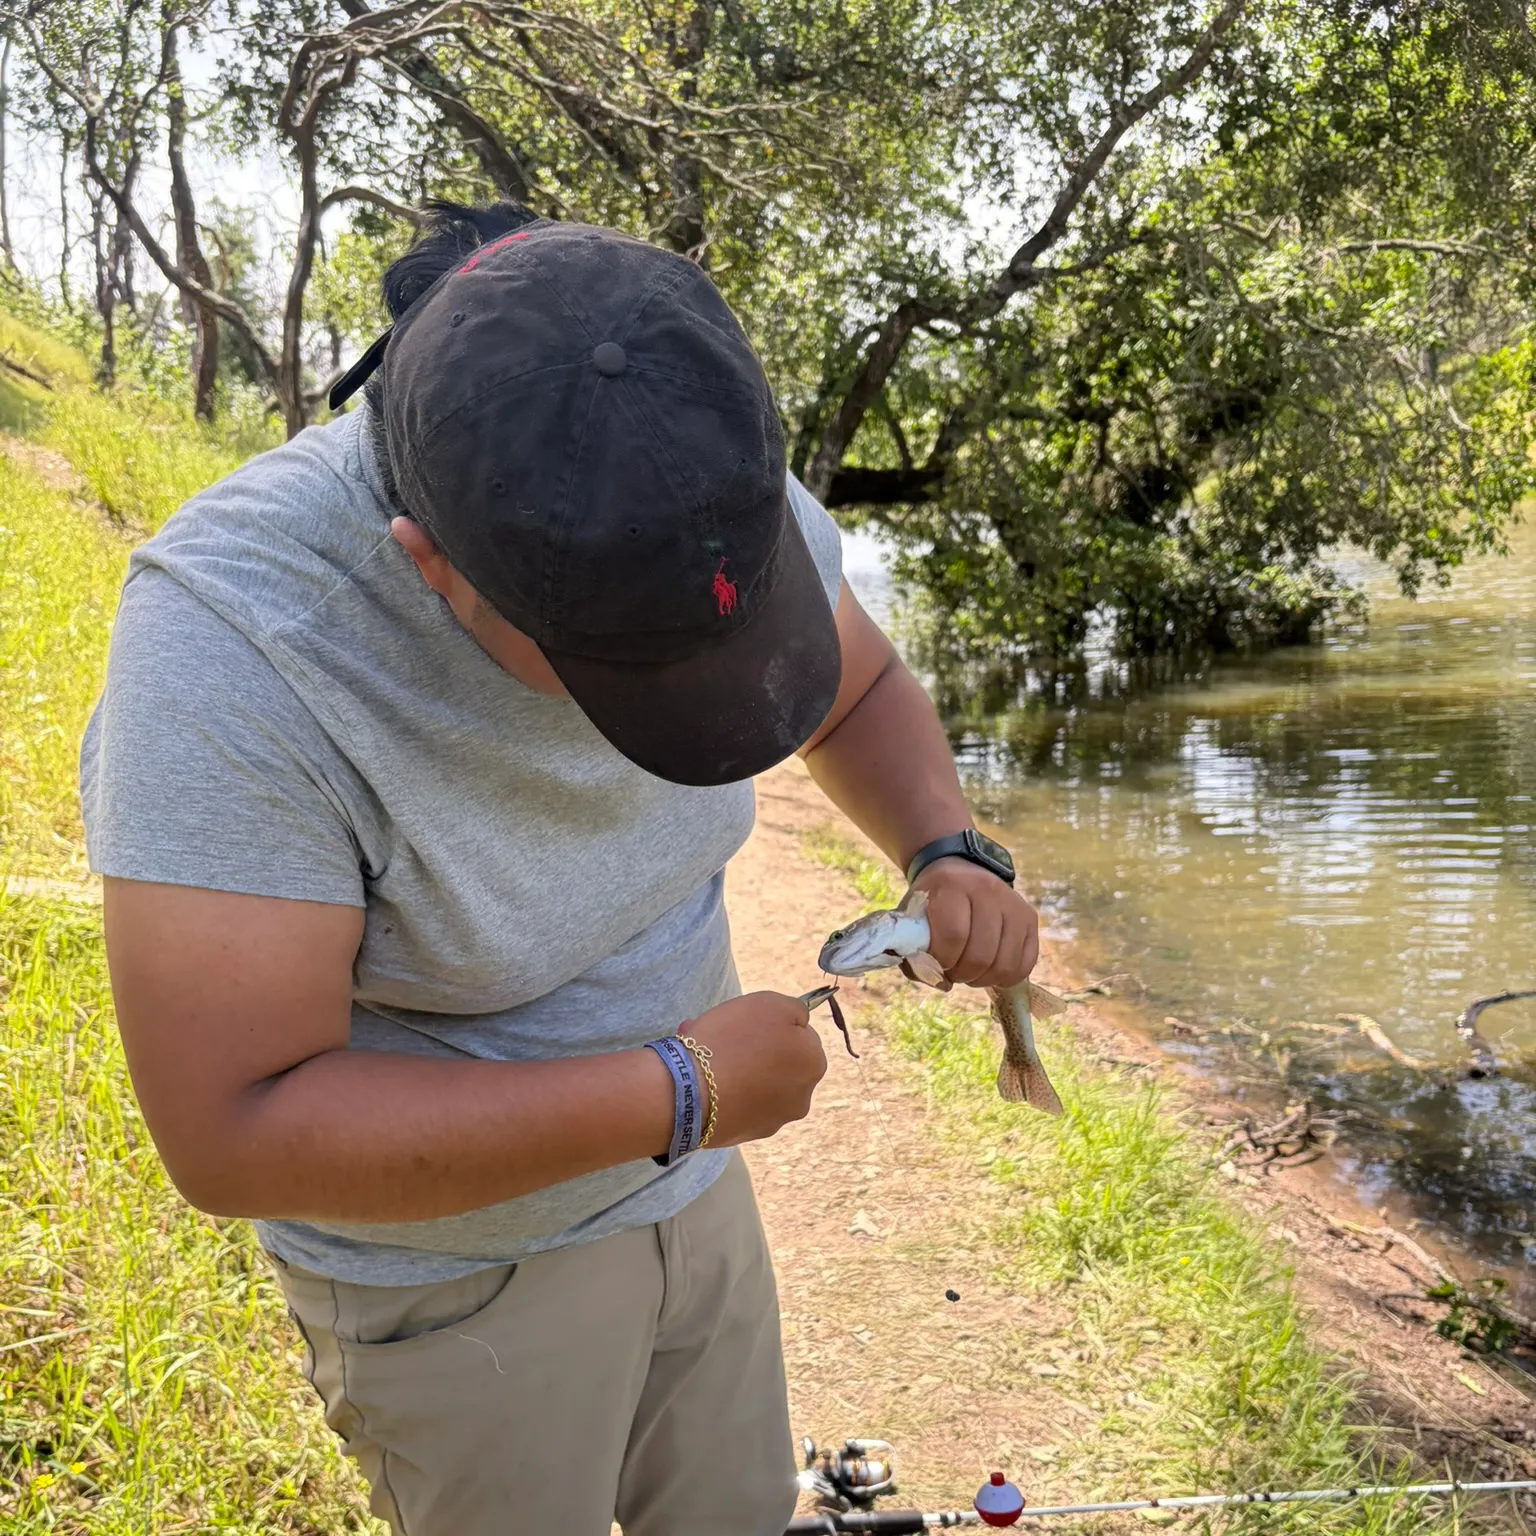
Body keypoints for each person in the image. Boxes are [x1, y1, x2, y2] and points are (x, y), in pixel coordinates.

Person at [80, 202, 1039, 1536]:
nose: (703, 698)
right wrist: (683, 1087)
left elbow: (857, 683)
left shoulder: (696, 466)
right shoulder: (237, 644)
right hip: (457, 1277)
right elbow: (234, 1129)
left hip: (696, 1188)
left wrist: (945, 845)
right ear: (431, 567)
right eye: (624, 664)